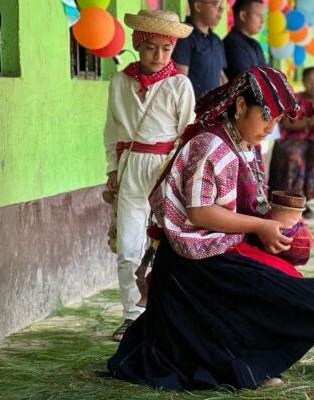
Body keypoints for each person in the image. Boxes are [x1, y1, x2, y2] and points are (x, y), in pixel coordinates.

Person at [107, 66, 314, 391]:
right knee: (276, 291)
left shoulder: (244, 145)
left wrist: (278, 220)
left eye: (278, 120)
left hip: (216, 247)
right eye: (265, 116)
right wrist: (260, 225)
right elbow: (199, 212)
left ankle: (249, 362)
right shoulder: (210, 145)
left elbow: (247, 202)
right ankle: (246, 363)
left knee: (283, 284)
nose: (271, 127)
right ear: (240, 106)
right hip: (191, 260)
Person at [104, 10, 196, 342]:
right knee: (128, 245)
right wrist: (112, 170)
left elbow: (188, 134)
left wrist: (180, 177)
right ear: (137, 45)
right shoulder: (119, 82)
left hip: (165, 170)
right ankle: (132, 316)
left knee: (167, 246)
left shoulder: (180, 85)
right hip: (131, 166)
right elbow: (112, 130)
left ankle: (167, 315)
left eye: (166, 49)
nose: (158, 56)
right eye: (150, 48)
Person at [268, 67, 314, 219]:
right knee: (294, 155)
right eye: (310, 81)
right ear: (303, 82)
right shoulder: (295, 99)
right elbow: (287, 124)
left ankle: (305, 199)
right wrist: (308, 122)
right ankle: (291, 200)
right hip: (292, 138)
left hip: (313, 142)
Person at [173, 0, 229, 99]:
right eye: (216, 4)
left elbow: (221, 76)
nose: (221, 9)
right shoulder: (184, 37)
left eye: (222, 5)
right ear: (198, 6)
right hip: (193, 110)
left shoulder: (217, 41)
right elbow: (179, 83)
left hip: (212, 110)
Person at [223, 0, 267, 81]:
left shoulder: (255, 45)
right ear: (243, 16)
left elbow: (267, 76)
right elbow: (246, 82)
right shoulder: (233, 43)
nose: (262, 21)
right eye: (258, 15)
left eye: (262, 16)